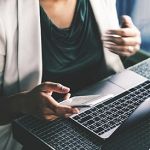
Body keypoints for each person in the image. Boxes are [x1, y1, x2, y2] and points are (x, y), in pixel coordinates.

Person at [0, 0, 141, 150]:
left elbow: (105, 62)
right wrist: (22, 104)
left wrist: (126, 45)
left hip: (106, 116)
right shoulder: (4, 13)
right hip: (39, 134)